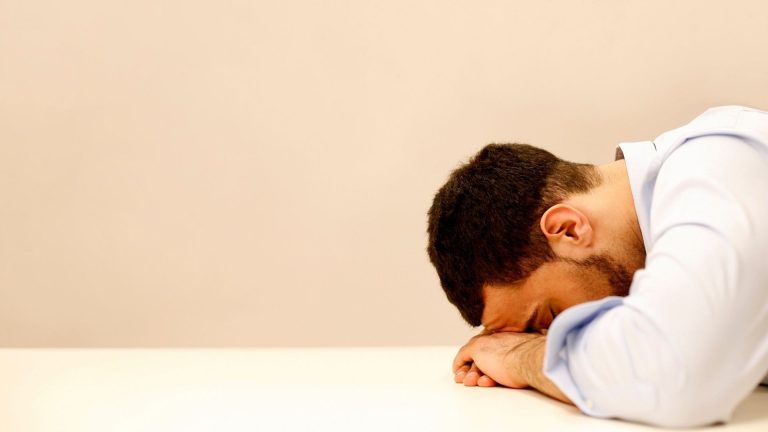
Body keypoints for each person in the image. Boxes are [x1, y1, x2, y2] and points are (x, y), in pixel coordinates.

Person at [426, 105, 768, 428]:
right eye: (539, 334)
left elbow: (676, 374)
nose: (557, 337)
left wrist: (521, 356)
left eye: (549, 318)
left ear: (568, 229)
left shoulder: (718, 164)